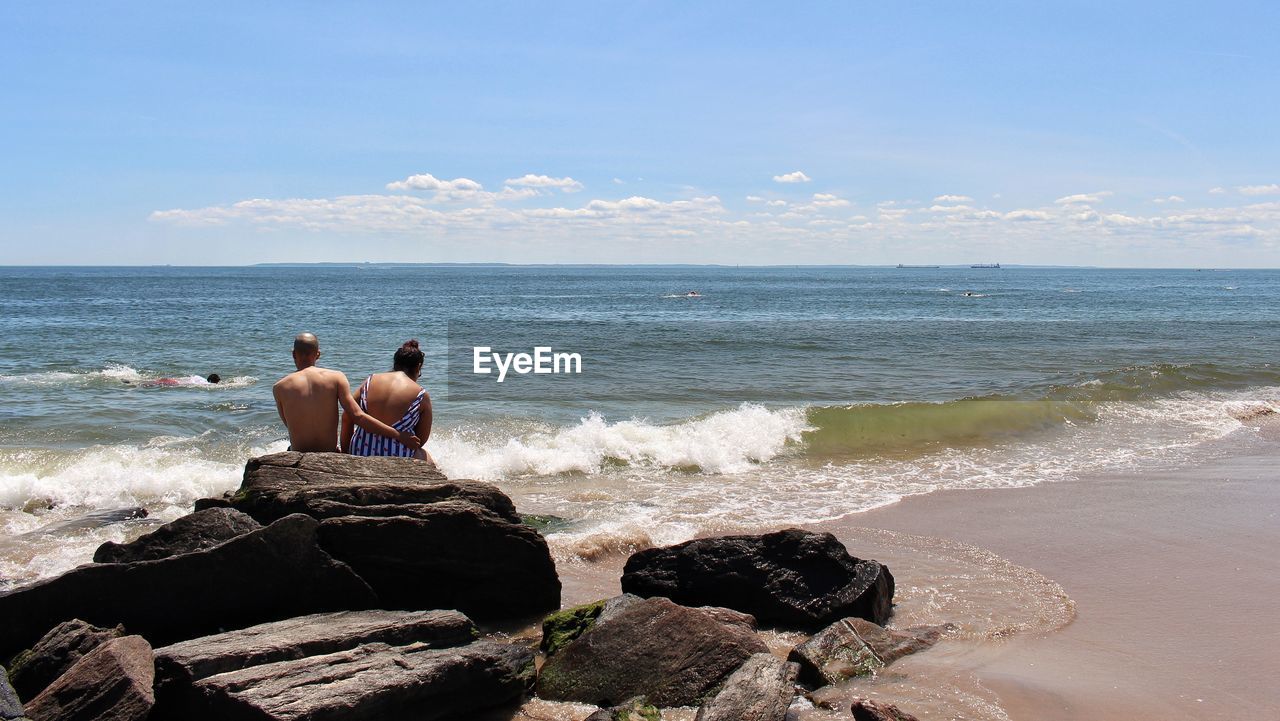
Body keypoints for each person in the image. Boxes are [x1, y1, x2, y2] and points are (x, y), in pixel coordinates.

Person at [272, 332, 421, 453]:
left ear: (293, 354)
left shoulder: (279, 387)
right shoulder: (336, 377)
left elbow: (289, 424)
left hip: (298, 453)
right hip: (329, 452)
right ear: (318, 354)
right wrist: (398, 435)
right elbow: (357, 416)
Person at [342, 339, 434, 462]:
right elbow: (419, 441)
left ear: (395, 363)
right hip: (398, 459)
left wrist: (346, 453)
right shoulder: (421, 395)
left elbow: (347, 418)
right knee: (426, 457)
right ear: (418, 367)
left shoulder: (369, 382)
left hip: (360, 452)